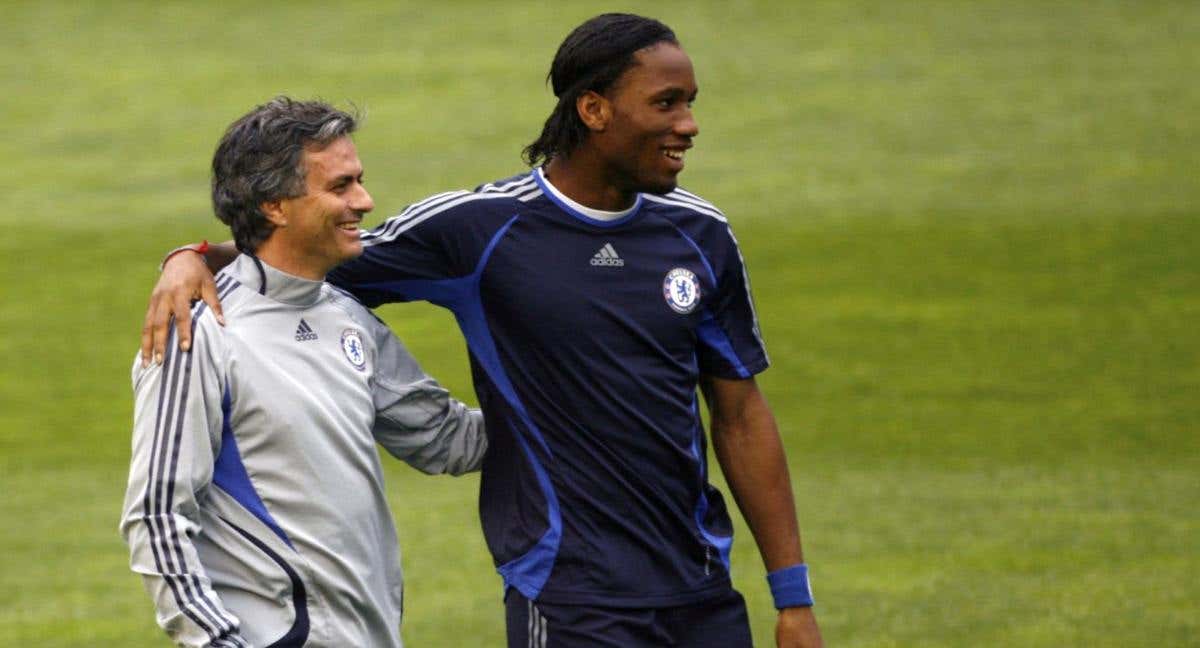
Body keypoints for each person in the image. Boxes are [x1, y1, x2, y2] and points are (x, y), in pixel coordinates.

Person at [143, 14, 823, 648]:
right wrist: (193, 256)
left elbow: (737, 416)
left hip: (699, 582)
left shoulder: (701, 235)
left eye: (690, 101)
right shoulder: (477, 231)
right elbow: (310, 252)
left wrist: (792, 596)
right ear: (593, 110)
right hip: (566, 590)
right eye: (667, 103)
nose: (690, 125)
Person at [121, 97, 487, 648]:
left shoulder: (345, 317)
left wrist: (588, 391)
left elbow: (448, 441)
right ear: (274, 206)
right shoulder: (199, 333)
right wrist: (215, 640)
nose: (364, 201)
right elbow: (156, 513)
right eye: (340, 187)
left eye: (359, 181)